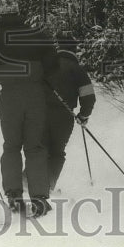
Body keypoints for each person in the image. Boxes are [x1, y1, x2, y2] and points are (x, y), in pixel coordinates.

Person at [0, 0, 58, 216]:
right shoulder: (39, 35)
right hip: (36, 96)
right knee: (35, 146)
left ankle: (14, 195)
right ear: (19, 11)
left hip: (9, 98)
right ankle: (39, 198)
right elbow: (53, 67)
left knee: (11, 146)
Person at [43, 47, 96, 192]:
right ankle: (47, 186)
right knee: (56, 152)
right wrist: (83, 115)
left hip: (39, 113)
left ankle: (27, 182)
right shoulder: (78, 70)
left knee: (38, 148)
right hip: (63, 116)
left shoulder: (46, 65)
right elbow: (89, 97)